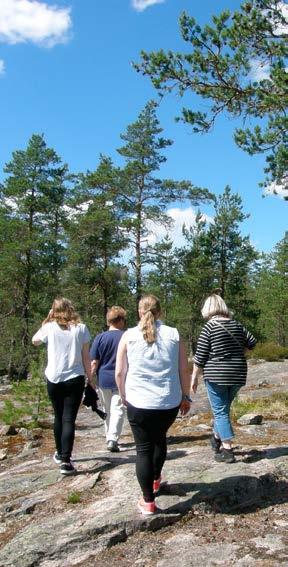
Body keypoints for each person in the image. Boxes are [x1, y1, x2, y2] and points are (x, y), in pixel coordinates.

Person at [115, 294, 191, 516]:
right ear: (160, 312)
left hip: (138, 401)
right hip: (168, 402)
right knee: (159, 439)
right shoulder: (174, 334)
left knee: (143, 449)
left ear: (140, 311)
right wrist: (186, 396)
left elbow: (120, 372)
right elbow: (183, 370)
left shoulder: (128, 336)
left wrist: (123, 394)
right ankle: (156, 479)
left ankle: (148, 501)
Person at [191, 294, 257, 464]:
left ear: (207, 309)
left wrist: (194, 377)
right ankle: (216, 438)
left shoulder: (210, 327)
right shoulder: (237, 325)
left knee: (220, 411)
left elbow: (200, 357)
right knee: (223, 409)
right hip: (238, 374)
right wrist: (237, 354)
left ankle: (227, 450)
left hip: (216, 375)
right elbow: (252, 343)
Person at [32, 298, 93, 475]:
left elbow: (35, 341)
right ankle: (66, 460)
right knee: (68, 419)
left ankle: (60, 454)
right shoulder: (81, 328)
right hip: (75, 378)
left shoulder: (49, 328)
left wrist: (46, 320)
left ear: (53, 311)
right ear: (70, 309)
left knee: (58, 417)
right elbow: (86, 357)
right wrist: (91, 380)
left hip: (54, 377)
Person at [90, 306, 126, 452]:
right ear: (121, 320)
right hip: (122, 378)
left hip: (103, 379)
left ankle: (109, 437)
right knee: (118, 409)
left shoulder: (100, 338)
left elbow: (94, 361)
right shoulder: (126, 336)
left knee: (107, 409)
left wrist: (90, 379)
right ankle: (112, 438)